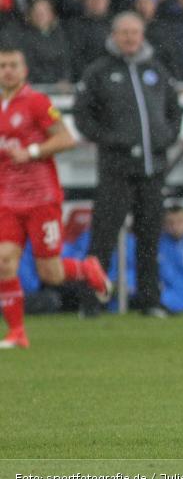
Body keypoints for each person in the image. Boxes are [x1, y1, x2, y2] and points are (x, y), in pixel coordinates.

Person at [73, 12, 182, 319]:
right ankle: (91, 302)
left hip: (153, 169)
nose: (130, 38)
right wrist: (110, 139)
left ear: (142, 34)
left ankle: (149, 300)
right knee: (104, 236)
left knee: (149, 236)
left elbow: (174, 111)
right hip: (116, 170)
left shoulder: (156, 71)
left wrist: (167, 137)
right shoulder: (99, 72)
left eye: (135, 32)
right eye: (124, 33)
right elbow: (82, 116)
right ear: (114, 35)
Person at [0, 47, 110, 348]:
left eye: (13, 65)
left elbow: (66, 138)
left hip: (41, 199)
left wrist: (32, 152)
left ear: (24, 70)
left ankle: (87, 268)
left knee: (50, 273)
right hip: (7, 200)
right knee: (4, 263)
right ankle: (17, 332)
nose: (7, 71)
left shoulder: (37, 102)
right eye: (2, 66)